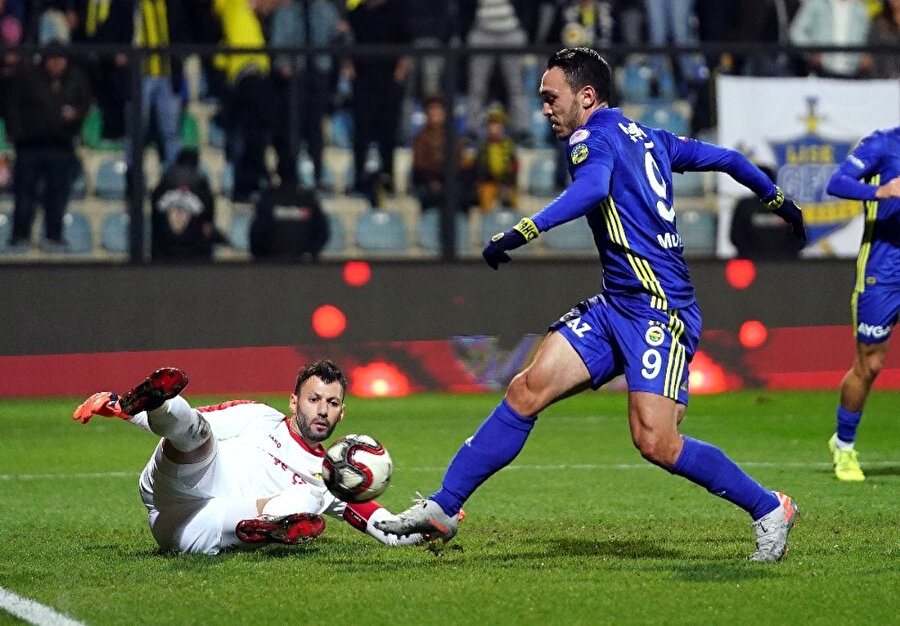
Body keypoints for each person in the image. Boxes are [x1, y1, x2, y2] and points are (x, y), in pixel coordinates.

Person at [377, 47, 807, 562]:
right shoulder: (651, 138)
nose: (545, 109)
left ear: (586, 96)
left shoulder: (591, 137)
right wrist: (780, 202)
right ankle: (445, 508)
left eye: (550, 97)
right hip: (617, 304)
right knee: (527, 388)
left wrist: (519, 232)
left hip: (658, 309)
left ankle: (769, 508)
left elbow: (591, 190)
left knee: (656, 442)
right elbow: (734, 160)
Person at [72, 361, 439, 555]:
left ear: (342, 412)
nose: (322, 410)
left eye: (332, 403)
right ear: (294, 402)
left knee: (310, 497)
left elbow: (388, 529)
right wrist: (121, 408)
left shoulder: (331, 479)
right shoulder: (258, 415)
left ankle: (266, 527)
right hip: (183, 483)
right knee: (198, 431)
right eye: (314, 400)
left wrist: (430, 521)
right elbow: (185, 426)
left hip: (199, 529)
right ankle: (151, 397)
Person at [823, 126, 900, 482]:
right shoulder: (884, 144)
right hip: (884, 272)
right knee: (869, 364)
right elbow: (837, 183)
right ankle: (844, 445)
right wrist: (879, 191)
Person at [6, 46, 90, 252]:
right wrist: (19, 134)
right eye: (52, 59)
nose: (56, 63)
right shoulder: (29, 78)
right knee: (25, 196)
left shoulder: (75, 80)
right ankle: (19, 237)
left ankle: (54, 237)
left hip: (61, 148)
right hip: (30, 147)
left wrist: (75, 115)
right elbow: (13, 106)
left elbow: (84, 104)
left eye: (61, 59)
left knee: (58, 196)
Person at [150, 148, 223, 261]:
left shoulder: (160, 189)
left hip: (163, 258)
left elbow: (155, 223)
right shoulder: (203, 190)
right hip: (196, 259)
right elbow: (207, 228)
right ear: (196, 164)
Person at [249, 181, 330, 262]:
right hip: (271, 265)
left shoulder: (309, 199)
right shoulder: (268, 198)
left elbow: (322, 233)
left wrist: (310, 254)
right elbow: (256, 234)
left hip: (304, 267)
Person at [474, 106, 519, 212]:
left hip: (506, 183)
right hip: (488, 183)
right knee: (485, 195)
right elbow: (479, 167)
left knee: (513, 197)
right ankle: (486, 220)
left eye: (497, 124)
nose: (494, 128)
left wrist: (508, 182)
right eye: (491, 124)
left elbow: (514, 165)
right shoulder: (483, 146)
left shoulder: (508, 145)